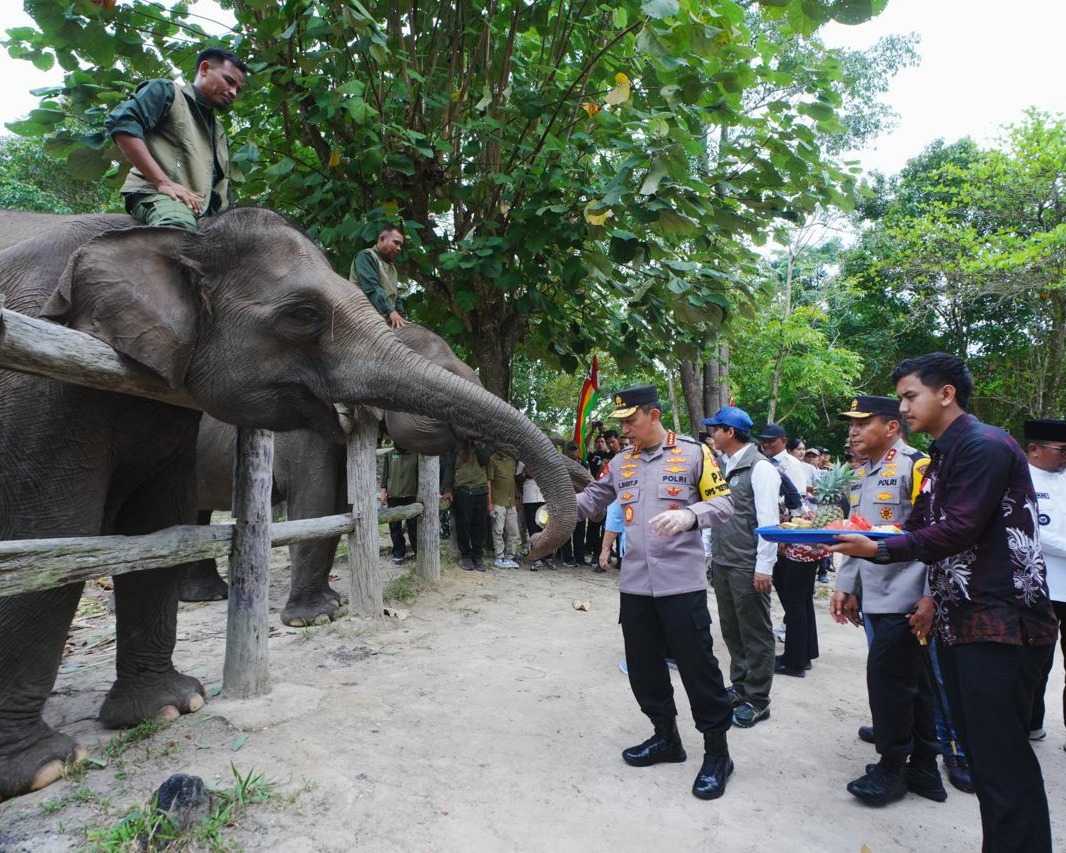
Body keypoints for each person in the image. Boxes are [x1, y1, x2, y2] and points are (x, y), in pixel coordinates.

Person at [829, 353, 1058, 852]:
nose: (904, 406)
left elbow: (958, 529)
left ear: (946, 393)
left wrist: (881, 547)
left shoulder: (984, 445)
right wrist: (847, 539)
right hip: (962, 619)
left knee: (1001, 760)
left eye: (911, 396)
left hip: (1001, 621)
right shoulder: (943, 454)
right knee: (981, 753)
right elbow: (920, 526)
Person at [574, 385, 736, 800]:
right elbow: (593, 500)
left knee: (699, 668)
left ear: (654, 414)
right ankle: (666, 737)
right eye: (622, 422)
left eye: (631, 420)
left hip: (681, 585)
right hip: (635, 586)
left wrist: (688, 514)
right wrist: (555, 510)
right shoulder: (620, 462)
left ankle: (717, 752)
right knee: (644, 668)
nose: (625, 428)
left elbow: (724, 504)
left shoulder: (694, 454)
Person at [830, 395, 943, 806]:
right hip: (877, 596)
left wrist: (931, 597)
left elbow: (940, 535)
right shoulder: (861, 476)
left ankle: (892, 768)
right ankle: (926, 768)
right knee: (913, 684)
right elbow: (857, 535)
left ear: (893, 426)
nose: (853, 431)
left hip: (908, 598)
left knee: (890, 685)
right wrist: (847, 585)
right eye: (851, 424)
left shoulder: (917, 466)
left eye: (863, 423)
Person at [106, 47, 247, 230]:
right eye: (229, 81)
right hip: (161, 196)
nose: (233, 92)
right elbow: (122, 123)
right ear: (204, 69)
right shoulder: (168, 92)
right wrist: (162, 182)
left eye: (238, 89)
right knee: (178, 231)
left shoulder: (219, 131)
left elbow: (222, 187)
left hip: (205, 214)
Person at [703, 406, 781, 725]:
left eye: (716, 429)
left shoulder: (760, 469)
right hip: (724, 561)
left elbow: (769, 523)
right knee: (732, 628)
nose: (712, 434)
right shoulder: (723, 465)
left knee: (755, 632)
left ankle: (758, 698)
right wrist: (708, 555)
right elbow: (713, 513)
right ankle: (740, 685)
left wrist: (764, 566)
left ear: (730, 433)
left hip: (748, 565)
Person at [1023, 418, 1066, 747]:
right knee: (1035, 662)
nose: (1065, 457)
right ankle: (1028, 723)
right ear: (1034, 449)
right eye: (1062, 450)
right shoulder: (1019, 479)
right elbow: (1034, 530)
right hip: (1038, 587)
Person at [442, 440, 491, 572]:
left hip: (480, 490)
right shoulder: (455, 447)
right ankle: (466, 556)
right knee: (463, 525)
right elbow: (448, 469)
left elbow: (485, 460)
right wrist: (447, 490)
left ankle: (478, 557)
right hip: (462, 490)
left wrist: (478, 444)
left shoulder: (484, 445)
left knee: (480, 526)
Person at [350, 225, 408, 328]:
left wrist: (403, 318)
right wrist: (390, 311)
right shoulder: (366, 256)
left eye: (400, 245)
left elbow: (395, 297)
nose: (399, 248)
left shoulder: (392, 267)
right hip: (363, 317)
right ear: (382, 239)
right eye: (396, 243)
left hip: (384, 317)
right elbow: (372, 289)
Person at [380, 444, 419, 566]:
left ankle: (418, 552)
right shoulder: (390, 454)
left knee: (413, 526)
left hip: (411, 495)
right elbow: (385, 475)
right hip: (394, 495)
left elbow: (419, 474)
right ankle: (398, 552)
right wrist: (383, 492)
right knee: (394, 526)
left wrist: (419, 492)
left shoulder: (416, 454)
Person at [487, 447, 520, 569]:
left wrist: (516, 498)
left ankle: (510, 557)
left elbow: (513, 480)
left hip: (511, 502)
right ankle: (499, 557)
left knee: (514, 531)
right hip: (498, 501)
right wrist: (489, 503)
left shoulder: (511, 461)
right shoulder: (492, 460)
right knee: (498, 530)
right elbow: (488, 483)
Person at [516, 460, 549, 570]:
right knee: (532, 529)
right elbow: (517, 478)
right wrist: (526, 474)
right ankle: (536, 558)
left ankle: (547, 557)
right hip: (529, 499)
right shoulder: (522, 461)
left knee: (544, 528)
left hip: (543, 498)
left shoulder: (544, 459)